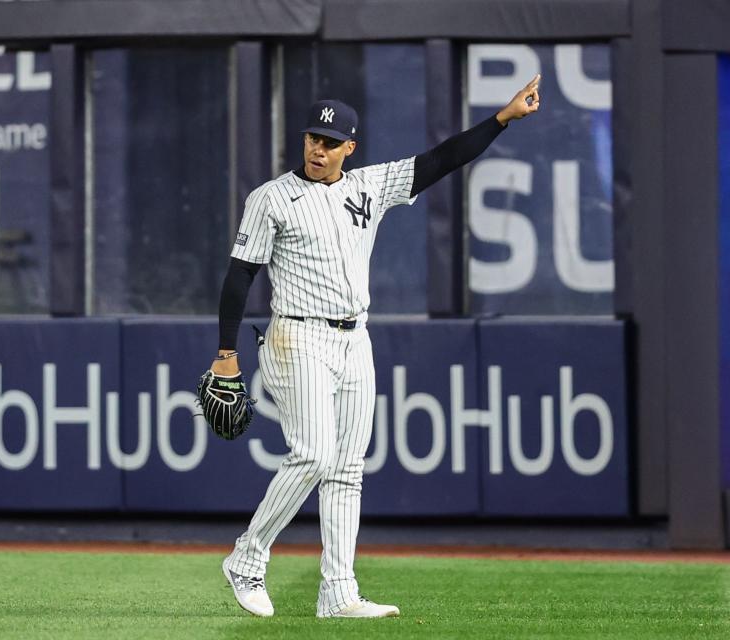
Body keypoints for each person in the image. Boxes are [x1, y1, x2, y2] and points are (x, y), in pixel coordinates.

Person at [214, 75, 541, 618]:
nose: (317, 150)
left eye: (329, 142)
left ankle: (337, 592)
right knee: (314, 455)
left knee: (347, 468)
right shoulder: (271, 199)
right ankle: (246, 560)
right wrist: (227, 351)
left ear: (349, 147)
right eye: (312, 139)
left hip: (354, 338)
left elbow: (443, 159)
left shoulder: (369, 186)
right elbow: (238, 277)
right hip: (297, 334)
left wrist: (503, 118)